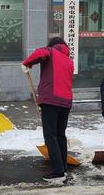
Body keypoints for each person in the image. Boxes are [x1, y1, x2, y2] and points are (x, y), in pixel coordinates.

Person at [22, 37, 74, 184]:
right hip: (65, 102)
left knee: (50, 136)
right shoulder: (68, 60)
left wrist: (27, 63)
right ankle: (62, 168)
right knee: (60, 135)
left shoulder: (50, 51)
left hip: (51, 100)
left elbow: (39, 53)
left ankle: (58, 172)